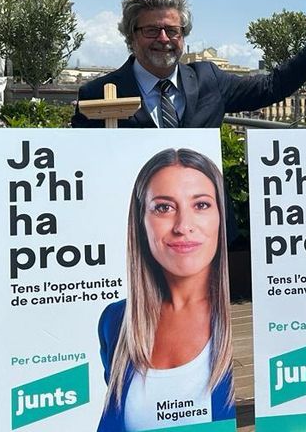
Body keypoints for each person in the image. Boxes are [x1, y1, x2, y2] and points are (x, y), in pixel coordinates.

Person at [98, 148, 233, 431]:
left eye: (201, 205)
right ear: (141, 221)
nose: (183, 226)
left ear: (222, 217)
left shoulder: (253, 322)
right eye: (163, 208)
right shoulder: (116, 321)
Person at [72, 0, 306, 128]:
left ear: (183, 35)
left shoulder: (209, 80)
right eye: (151, 30)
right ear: (131, 36)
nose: (163, 39)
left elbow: (271, 87)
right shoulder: (97, 95)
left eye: (172, 31)